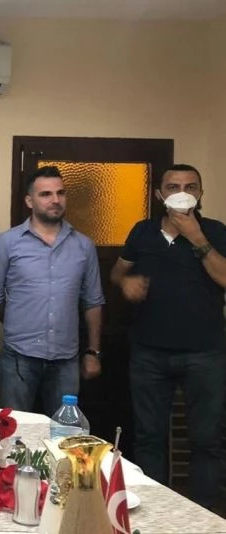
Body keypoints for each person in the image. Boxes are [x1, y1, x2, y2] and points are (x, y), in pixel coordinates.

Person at [110, 163, 226, 510]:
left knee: (207, 440)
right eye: (173, 186)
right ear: (160, 195)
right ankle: (154, 514)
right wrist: (125, 282)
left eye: (191, 186)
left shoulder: (216, 231)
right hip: (149, 353)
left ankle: (205, 515)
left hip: (205, 353)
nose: (182, 192)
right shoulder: (143, 231)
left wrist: (196, 237)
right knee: (149, 438)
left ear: (200, 194)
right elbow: (117, 272)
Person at [0, 165, 104, 417]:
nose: (55, 200)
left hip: (66, 359)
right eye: (46, 194)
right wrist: (19, 321)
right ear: (30, 201)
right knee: (14, 429)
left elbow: (93, 301)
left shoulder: (83, 246)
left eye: (60, 193)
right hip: (19, 357)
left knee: (63, 431)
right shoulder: (7, 242)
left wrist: (93, 352)